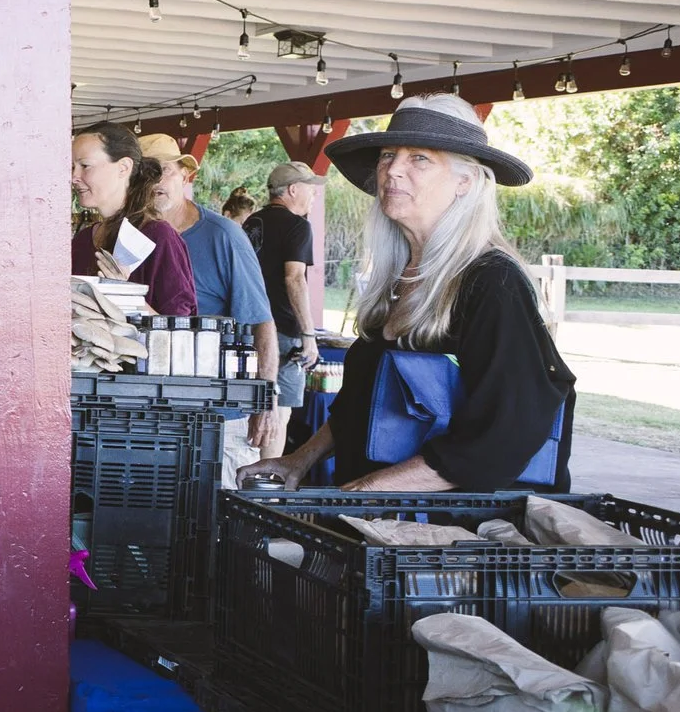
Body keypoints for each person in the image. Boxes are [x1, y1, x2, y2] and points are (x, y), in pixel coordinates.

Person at [240, 95, 575, 493]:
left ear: (466, 182)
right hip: (376, 517)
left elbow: (504, 435)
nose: (393, 170)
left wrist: (367, 490)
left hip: (442, 525)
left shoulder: (492, 282)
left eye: (419, 158)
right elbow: (363, 404)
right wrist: (299, 461)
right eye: (387, 156)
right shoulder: (400, 277)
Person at [141, 134, 276, 464]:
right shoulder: (129, 236)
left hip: (217, 415)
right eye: (146, 173)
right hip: (147, 413)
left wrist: (265, 401)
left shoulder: (223, 235)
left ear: (185, 175)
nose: (156, 182)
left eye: (164, 171)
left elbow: (261, 322)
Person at [70, 122, 196, 316]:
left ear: (124, 168)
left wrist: (125, 295)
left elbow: (180, 328)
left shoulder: (158, 236)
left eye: (85, 166)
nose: (74, 177)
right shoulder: (82, 241)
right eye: (72, 167)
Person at [243, 160, 325, 457]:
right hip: (282, 333)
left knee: (249, 407)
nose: (314, 195)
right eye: (310, 189)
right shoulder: (298, 226)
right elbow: (295, 279)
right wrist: (308, 334)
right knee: (278, 413)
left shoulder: (251, 223)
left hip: (246, 328)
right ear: (292, 189)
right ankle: (265, 479)